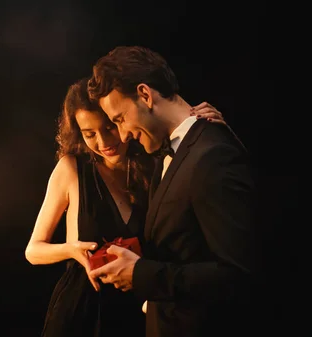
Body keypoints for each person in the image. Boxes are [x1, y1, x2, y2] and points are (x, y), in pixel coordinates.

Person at [24, 76, 226, 337]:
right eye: (89, 134)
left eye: (109, 127)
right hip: (84, 308)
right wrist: (71, 250)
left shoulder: (155, 164)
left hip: (139, 306)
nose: (104, 141)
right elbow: (33, 250)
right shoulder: (72, 169)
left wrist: (208, 128)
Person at [86, 46, 261, 337]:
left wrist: (141, 274)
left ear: (145, 94)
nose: (124, 134)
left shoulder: (212, 154)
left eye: (119, 119)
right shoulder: (172, 152)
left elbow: (237, 275)